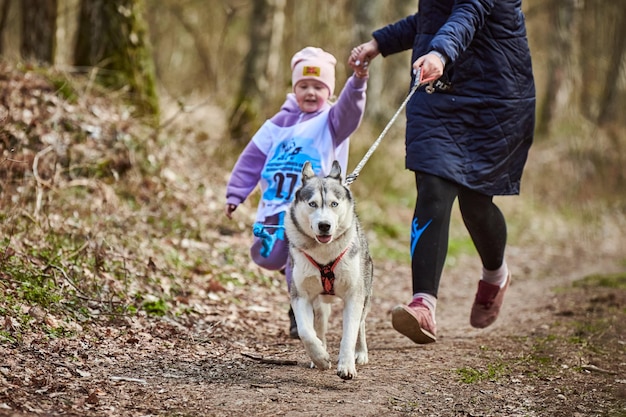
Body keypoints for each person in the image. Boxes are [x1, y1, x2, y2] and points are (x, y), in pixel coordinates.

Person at [350, 0, 535, 344]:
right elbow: (432, 17)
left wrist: (440, 52)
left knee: (475, 203)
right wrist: (380, 43)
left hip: (494, 97)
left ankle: (495, 274)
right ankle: (424, 304)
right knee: (433, 186)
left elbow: (470, 11)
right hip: (440, 92)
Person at [224, 46, 369, 338]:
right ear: (294, 88)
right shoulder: (276, 125)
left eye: (319, 86)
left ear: (328, 91)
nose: (311, 92)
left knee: (298, 258)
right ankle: (305, 289)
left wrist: (356, 82)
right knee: (267, 256)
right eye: (304, 86)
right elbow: (251, 159)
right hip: (274, 208)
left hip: (312, 211)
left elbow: (351, 110)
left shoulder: (332, 122)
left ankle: (300, 308)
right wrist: (235, 193)